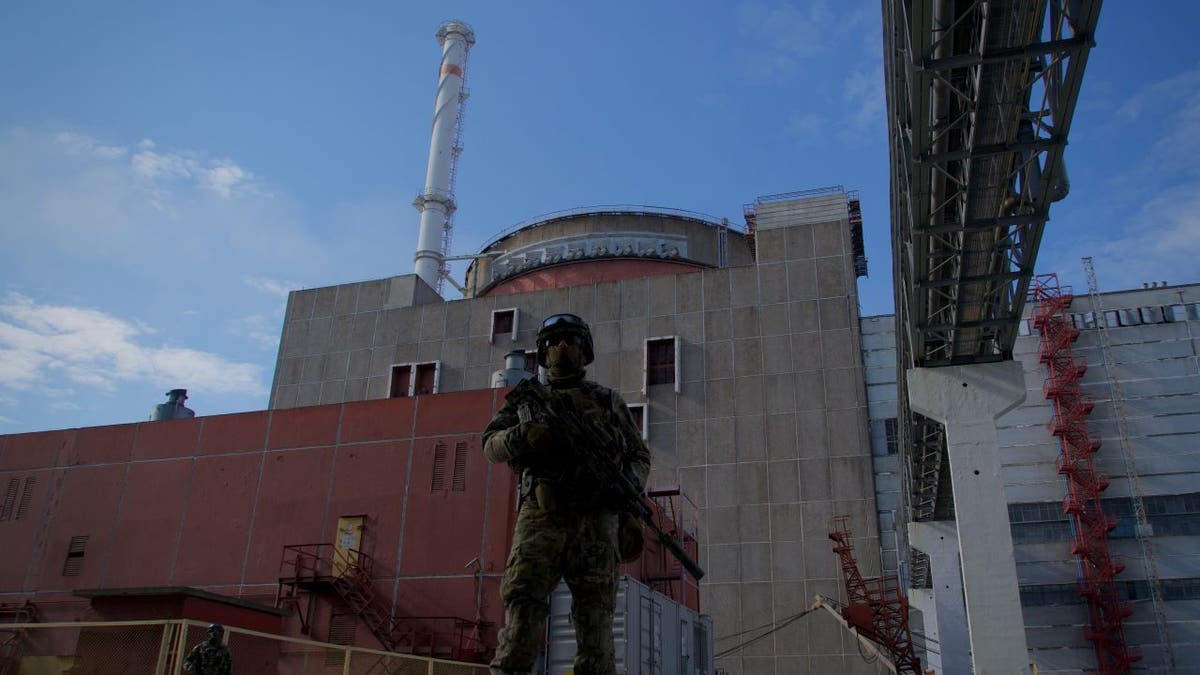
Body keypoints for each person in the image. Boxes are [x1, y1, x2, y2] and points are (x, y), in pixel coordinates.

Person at [483, 313, 651, 675]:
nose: (563, 349)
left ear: (584, 350)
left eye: (570, 342)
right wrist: (521, 436)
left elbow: (638, 455)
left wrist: (626, 492)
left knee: (596, 624)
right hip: (542, 517)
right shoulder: (526, 400)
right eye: (555, 343)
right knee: (522, 610)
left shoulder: (607, 401)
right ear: (543, 352)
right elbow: (490, 444)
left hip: (596, 520)